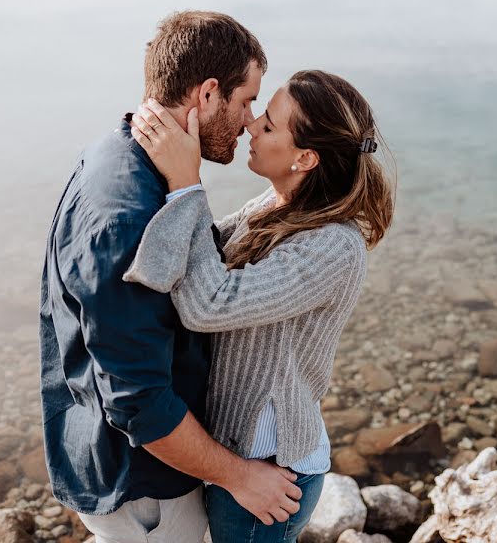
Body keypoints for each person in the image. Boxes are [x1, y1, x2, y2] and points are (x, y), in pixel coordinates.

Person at [39, 10, 302, 543]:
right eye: (246, 100)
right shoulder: (129, 218)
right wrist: (242, 476)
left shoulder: (119, 152)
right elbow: (139, 403)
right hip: (144, 488)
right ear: (207, 95)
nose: (251, 120)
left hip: (125, 459)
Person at [124, 68, 395, 543]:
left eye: (268, 125)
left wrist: (186, 182)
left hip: (269, 470)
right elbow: (201, 248)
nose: (251, 127)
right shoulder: (277, 203)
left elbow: (207, 303)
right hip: (237, 456)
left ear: (305, 157)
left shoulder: (333, 245)